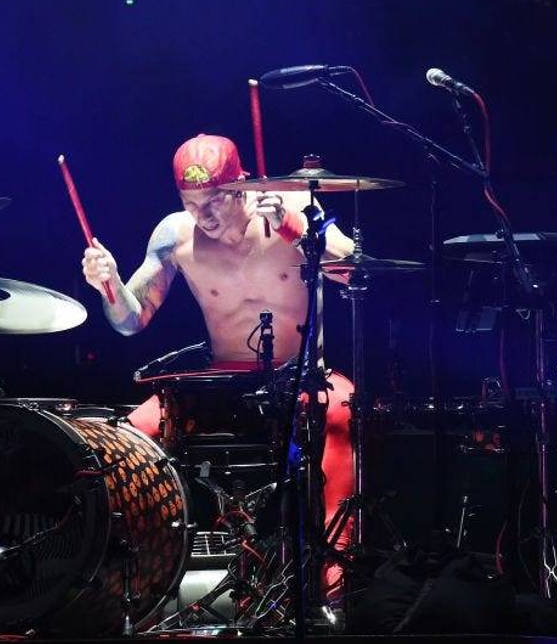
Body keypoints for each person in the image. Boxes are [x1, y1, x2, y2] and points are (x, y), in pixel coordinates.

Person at [80, 133, 356, 591]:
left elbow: (352, 270)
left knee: (345, 416)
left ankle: (337, 573)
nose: (202, 215)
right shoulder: (174, 233)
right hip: (219, 380)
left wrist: (294, 228)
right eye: (191, 202)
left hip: (301, 375)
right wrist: (108, 286)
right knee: (123, 442)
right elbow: (131, 321)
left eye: (215, 200)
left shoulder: (291, 203)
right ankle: (133, 573)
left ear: (242, 184)